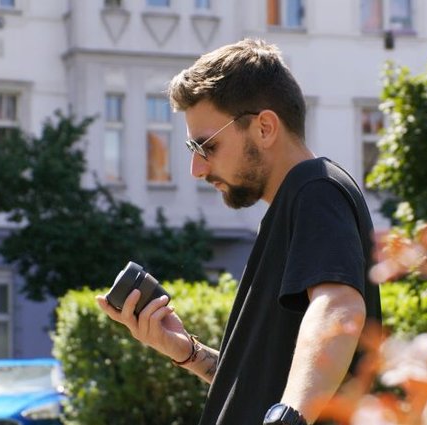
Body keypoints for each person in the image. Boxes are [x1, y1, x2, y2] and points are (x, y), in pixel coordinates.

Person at [96, 38, 382, 425]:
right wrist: (187, 352)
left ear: (264, 127)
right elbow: (261, 385)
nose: (197, 169)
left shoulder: (316, 188)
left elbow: (339, 308)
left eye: (207, 146)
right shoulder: (297, 202)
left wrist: (288, 418)